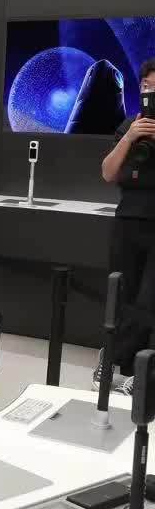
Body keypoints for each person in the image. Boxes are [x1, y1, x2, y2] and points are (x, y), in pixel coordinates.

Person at [98, 58, 155, 394]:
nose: (151, 92)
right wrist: (129, 137)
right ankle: (119, 364)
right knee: (124, 295)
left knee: (149, 299)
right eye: (147, 86)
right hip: (128, 222)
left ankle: (139, 370)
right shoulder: (128, 126)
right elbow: (108, 172)